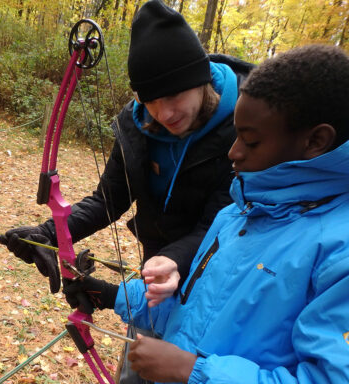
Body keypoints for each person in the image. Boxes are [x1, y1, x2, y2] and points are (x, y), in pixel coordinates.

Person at [63, 44, 349, 383]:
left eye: (251, 141)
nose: (234, 152)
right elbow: (192, 308)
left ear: (315, 141)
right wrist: (109, 294)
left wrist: (191, 371)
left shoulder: (338, 252)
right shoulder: (235, 216)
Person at [0, 0, 252, 382]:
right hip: (153, 282)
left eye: (174, 95)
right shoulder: (139, 126)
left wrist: (172, 261)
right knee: (136, 373)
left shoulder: (243, 127)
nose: (164, 113)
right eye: (150, 99)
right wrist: (50, 234)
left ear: (200, 80)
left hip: (214, 281)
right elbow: (108, 199)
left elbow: (221, 222)